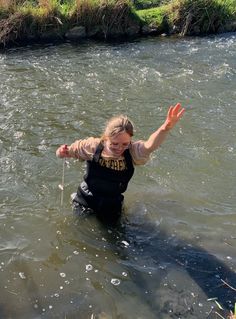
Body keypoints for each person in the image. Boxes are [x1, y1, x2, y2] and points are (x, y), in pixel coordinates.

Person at [56, 103, 185, 225]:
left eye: (125, 144)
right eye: (114, 144)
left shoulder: (132, 152)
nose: (119, 148)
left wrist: (165, 127)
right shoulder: (92, 146)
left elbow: (149, 146)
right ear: (106, 138)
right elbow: (64, 152)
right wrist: (61, 151)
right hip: (85, 198)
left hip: (112, 204)